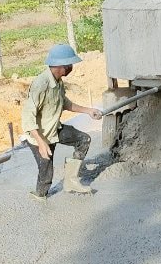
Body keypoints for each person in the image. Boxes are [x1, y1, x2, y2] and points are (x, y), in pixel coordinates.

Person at [22, 44, 102, 199]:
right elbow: (28, 117)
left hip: (54, 129)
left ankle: (71, 181)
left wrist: (88, 111)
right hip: (39, 136)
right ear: (61, 66)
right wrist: (40, 143)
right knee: (46, 176)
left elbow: (65, 103)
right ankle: (39, 196)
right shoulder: (41, 84)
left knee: (83, 140)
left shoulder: (58, 82)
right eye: (70, 65)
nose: (72, 67)